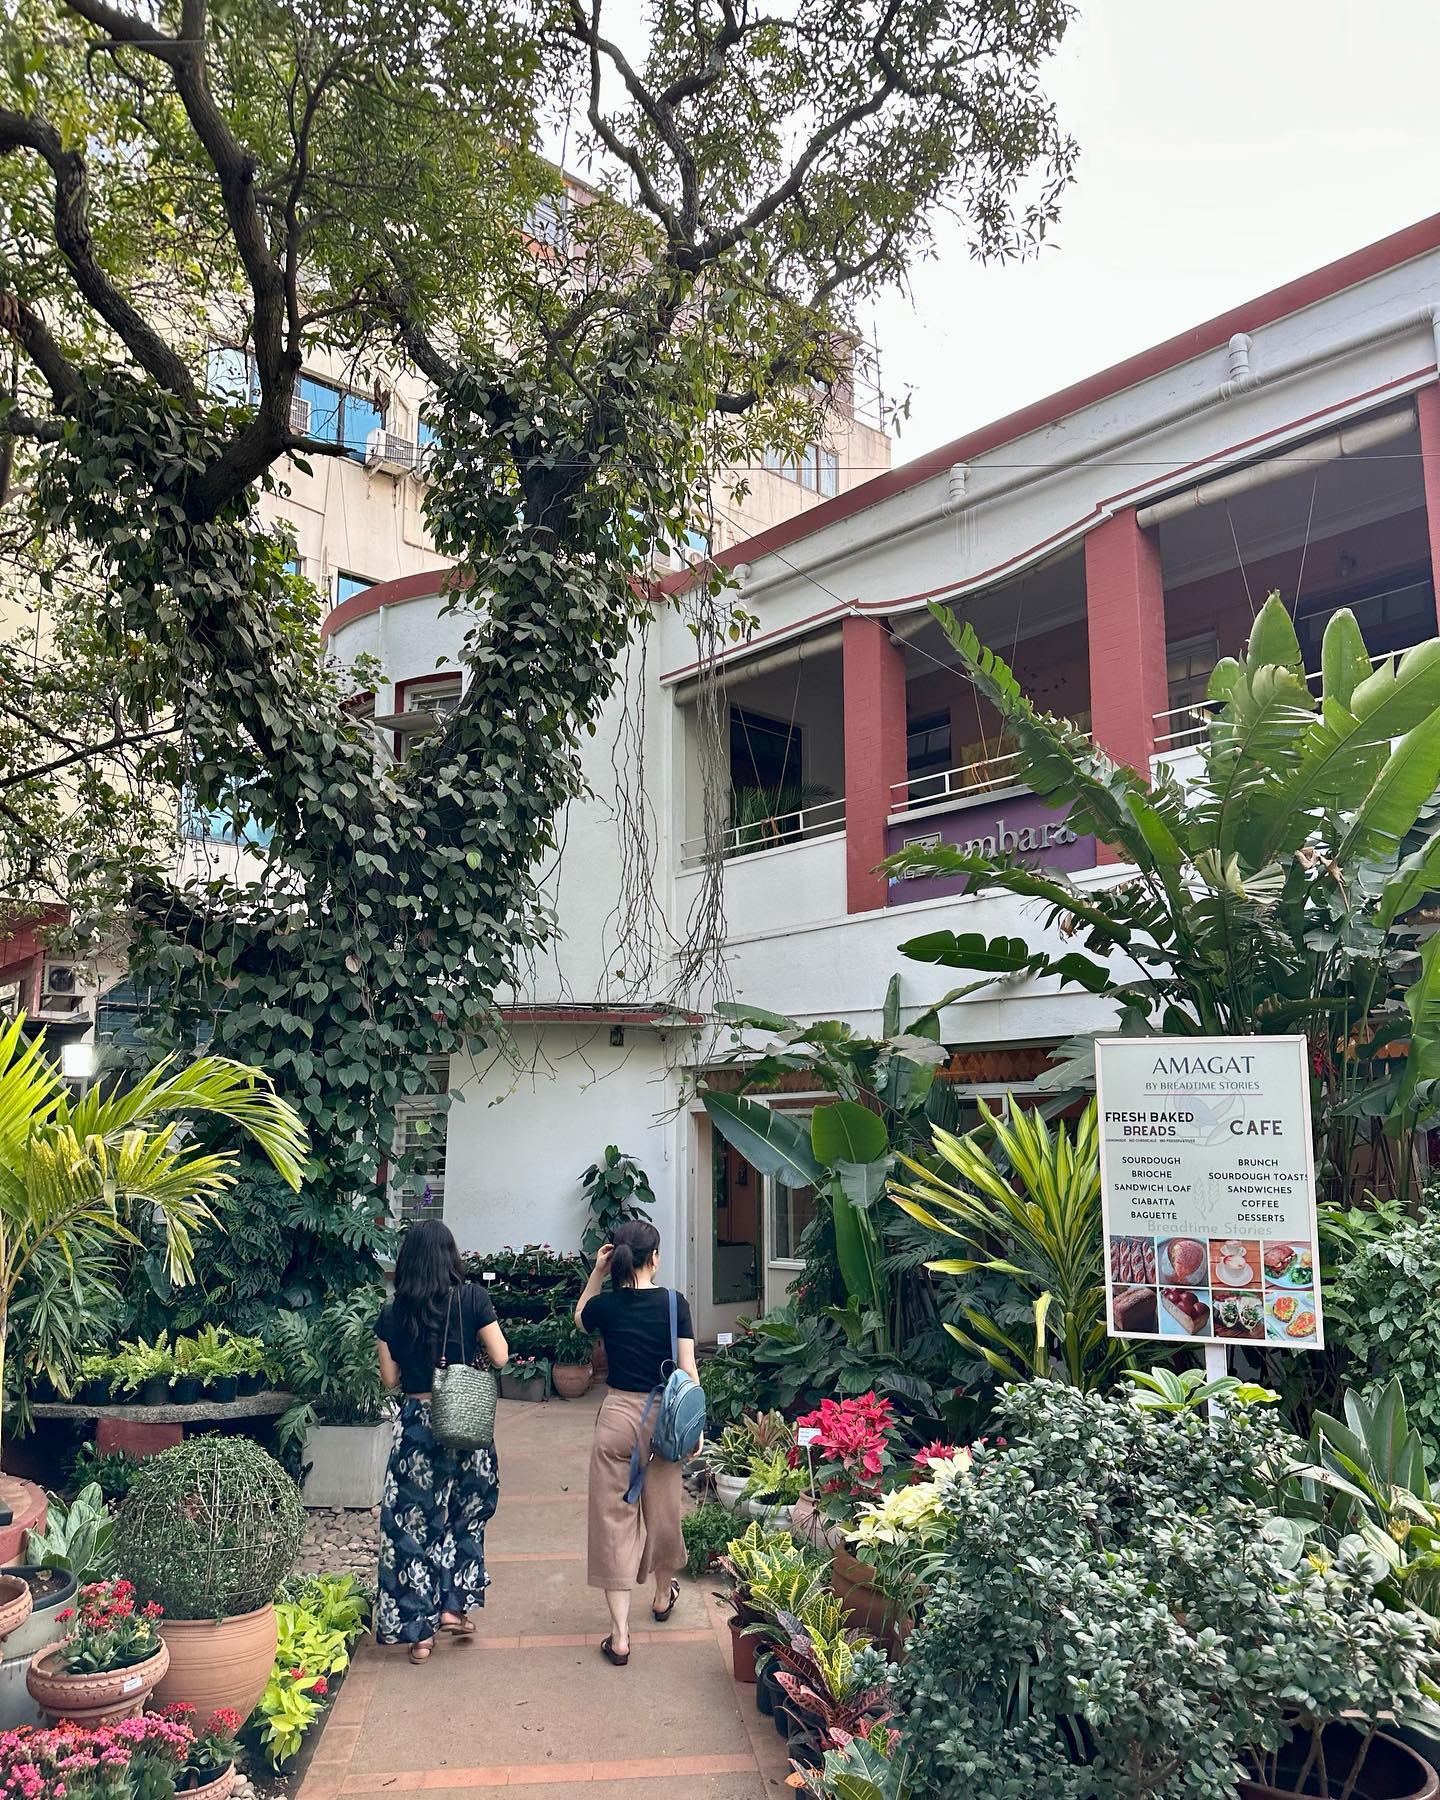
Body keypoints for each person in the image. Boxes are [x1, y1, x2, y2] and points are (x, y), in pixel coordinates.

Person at [374, 1218, 509, 1663]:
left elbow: (389, 1378)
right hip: (465, 1420)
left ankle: (420, 1635)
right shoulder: (472, 1298)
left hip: (417, 1426)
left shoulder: (392, 1312)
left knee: (412, 1525)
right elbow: (501, 1356)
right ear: (451, 1257)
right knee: (467, 1514)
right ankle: (453, 1608)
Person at [574, 1218, 697, 1666]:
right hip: (665, 1420)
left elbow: (580, 1318)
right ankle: (662, 1597)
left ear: (618, 1259)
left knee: (613, 1521)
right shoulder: (674, 1303)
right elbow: (687, 1370)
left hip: (617, 1418)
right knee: (664, 1513)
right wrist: (696, 1427)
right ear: (655, 1258)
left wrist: (596, 1273)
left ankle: (620, 1636)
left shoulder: (606, 1306)